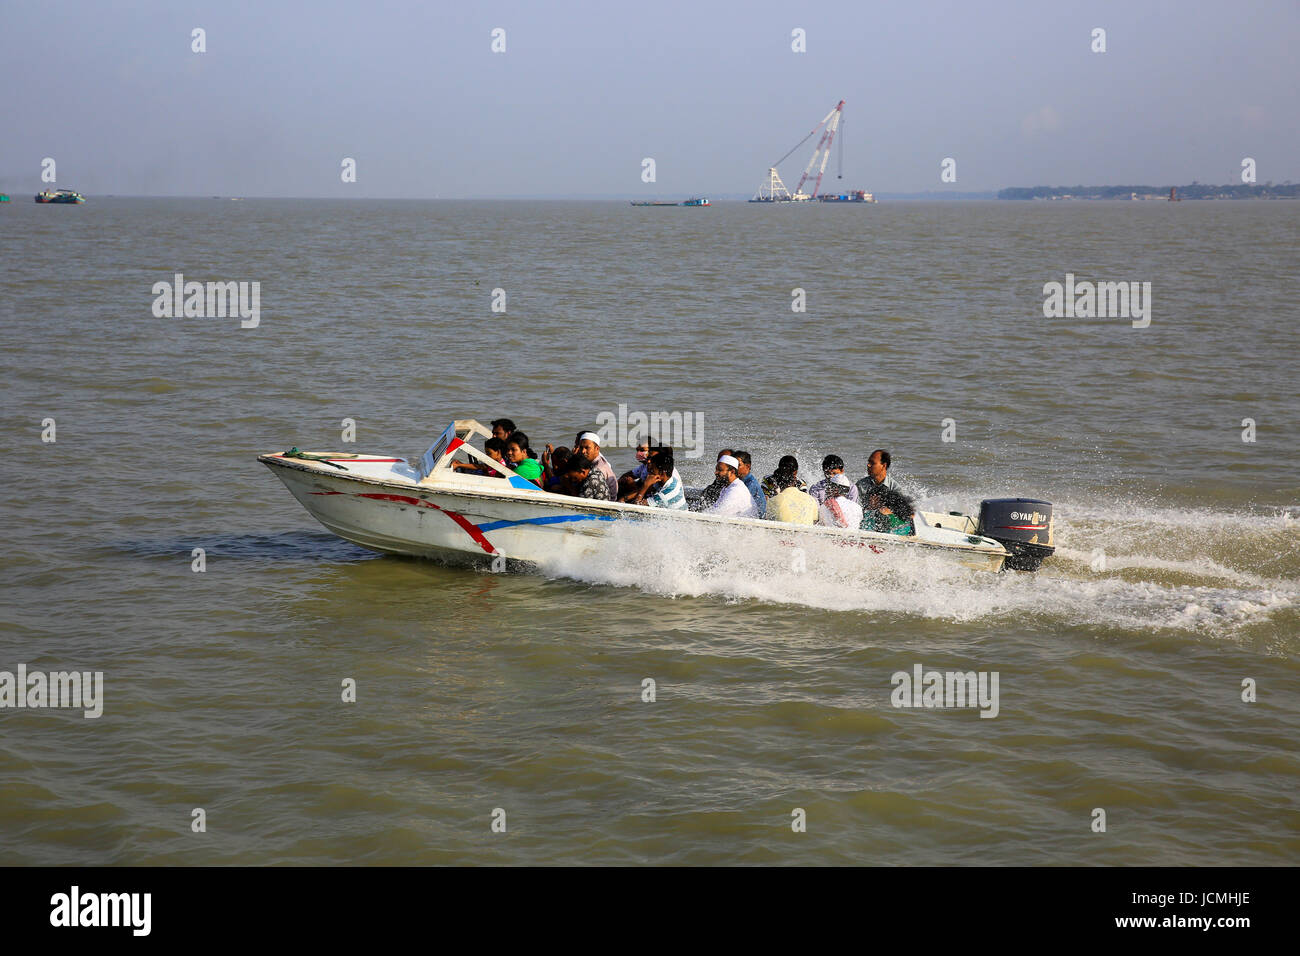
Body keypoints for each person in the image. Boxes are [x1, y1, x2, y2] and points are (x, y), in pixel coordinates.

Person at [574, 431, 618, 499]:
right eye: (581, 447)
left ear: (597, 449)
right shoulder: (590, 461)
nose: (583, 451)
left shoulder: (599, 468)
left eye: (587, 448)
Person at [733, 450, 767, 518]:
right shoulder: (741, 481)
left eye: (738, 465)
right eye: (733, 465)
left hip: (758, 521)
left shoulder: (751, 484)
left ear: (748, 466)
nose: (734, 468)